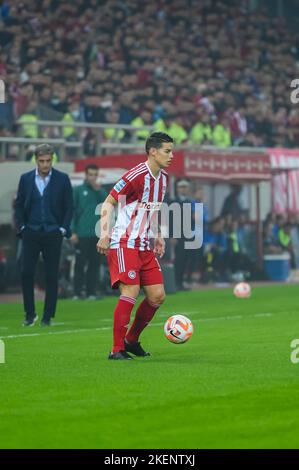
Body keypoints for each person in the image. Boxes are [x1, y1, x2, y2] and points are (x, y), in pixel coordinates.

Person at [96, 132, 173, 360]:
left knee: (157, 296)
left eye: (172, 151)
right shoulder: (135, 175)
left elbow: (153, 208)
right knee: (130, 290)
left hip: (144, 246)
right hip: (124, 243)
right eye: (167, 151)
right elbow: (109, 202)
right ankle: (116, 349)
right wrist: (104, 233)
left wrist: (158, 234)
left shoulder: (163, 178)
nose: (171, 156)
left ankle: (131, 340)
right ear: (153, 151)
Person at [15, 143, 73, 326]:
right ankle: (29, 314)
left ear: (52, 159)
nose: (45, 165)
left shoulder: (62, 179)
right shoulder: (25, 179)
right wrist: (22, 227)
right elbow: (19, 205)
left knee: (51, 276)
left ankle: (48, 317)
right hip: (31, 231)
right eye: (42, 161)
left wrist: (62, 229)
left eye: (48, 161)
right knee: (26, 273)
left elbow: (69, 206)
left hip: (53, 232)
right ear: (36, 160)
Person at [71, 164, 107, 299]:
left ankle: (91, 292)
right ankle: (77, 292)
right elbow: (72, 211)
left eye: (95, 175)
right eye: (90, 174)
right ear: (86, 175)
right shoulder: (78, 190)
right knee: (80, 264)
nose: (93, 177)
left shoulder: (101, 192)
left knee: (95, 264)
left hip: (97, 234)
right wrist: (73, 231)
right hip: (82, 234)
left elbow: (107, 208)